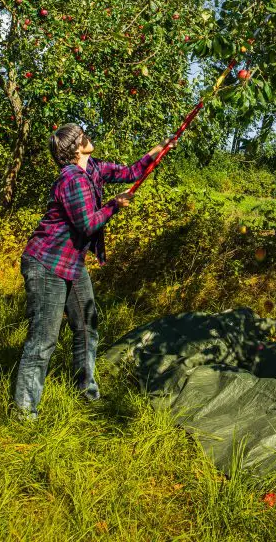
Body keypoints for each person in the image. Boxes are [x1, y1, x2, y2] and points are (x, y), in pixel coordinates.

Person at [12, 123, 169, 422]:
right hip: (47, 264)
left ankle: (87, 392)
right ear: (74, 147)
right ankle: (24, 412)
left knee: (87, 327)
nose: (88, 137)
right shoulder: (72, 179)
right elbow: (87, 224)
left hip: (71, 264)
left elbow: (130, 173)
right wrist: (114, 204)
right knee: (43, 339)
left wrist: (160, 148)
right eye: (82, 135)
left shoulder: (92, 168)